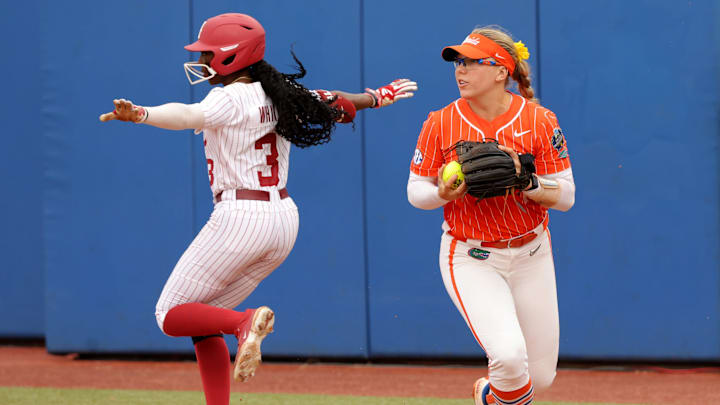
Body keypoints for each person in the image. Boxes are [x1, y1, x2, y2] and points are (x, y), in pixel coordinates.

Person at [99, 13, 417, 405]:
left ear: (230, 57)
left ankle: (243, 322)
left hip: (241, 216)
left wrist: (141, 113)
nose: (201, 62)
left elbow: (187, 116)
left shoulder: (229, 97)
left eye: (207, 54)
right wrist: (378, 97)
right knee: (202, 317)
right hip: (283, 219)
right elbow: (337, 99)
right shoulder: (280, 91)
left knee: (170, 315)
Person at [407, 26, 575, 405]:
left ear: (501, 71)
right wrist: (441, 193)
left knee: (540, 378)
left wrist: (527, 181)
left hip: (532, 253)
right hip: (472, 256)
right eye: (458, 62)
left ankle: (487, 396)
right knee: (510, 357)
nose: (460, 70)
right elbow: (415, 191)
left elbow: (566, 196)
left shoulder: (539, 120)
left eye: (471, 62)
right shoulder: (440, 122)